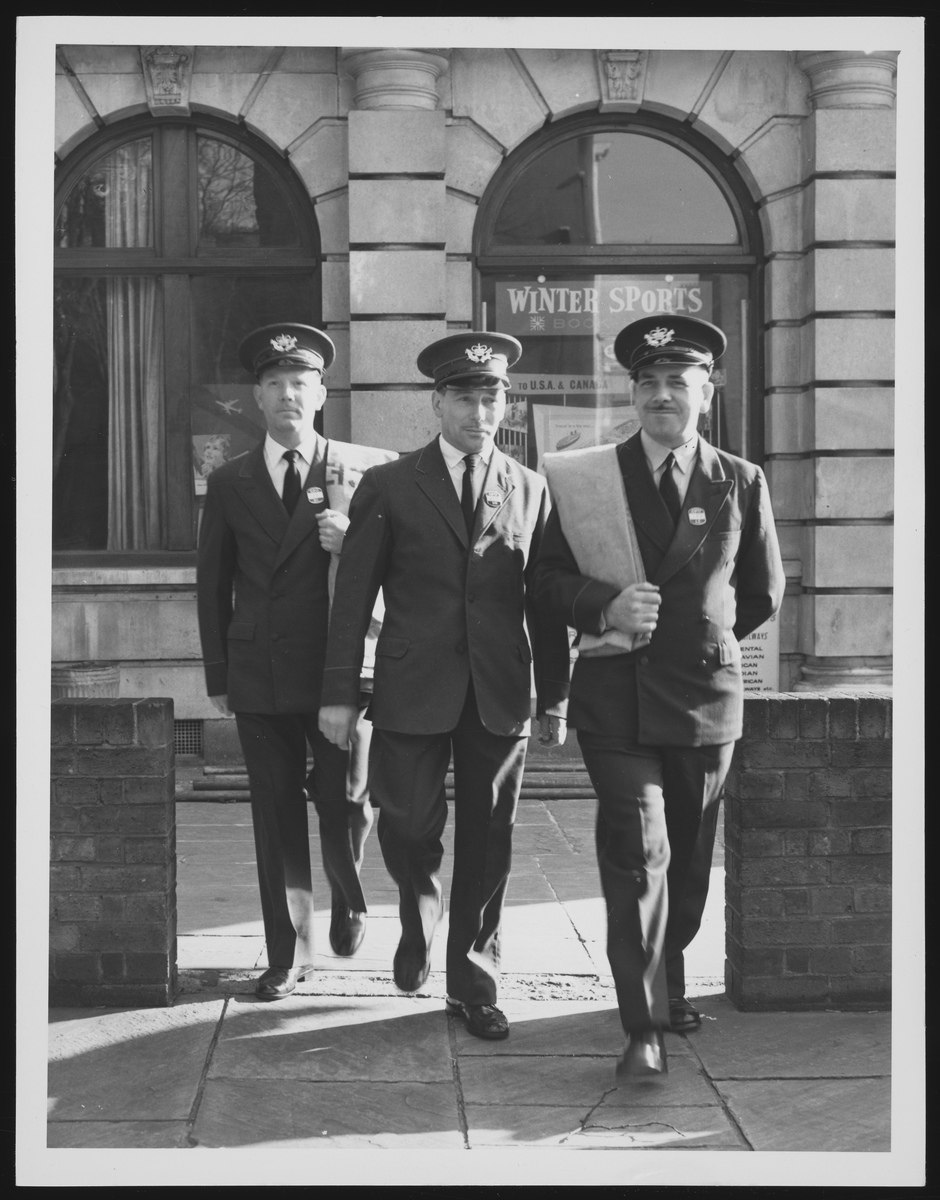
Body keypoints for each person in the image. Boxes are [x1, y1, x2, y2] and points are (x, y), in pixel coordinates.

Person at [533, 315, 785, 1078]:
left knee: (689, 870)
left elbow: (763, 590)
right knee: (638, 856)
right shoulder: (583, 478)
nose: (661, 395)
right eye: (647, 382)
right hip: (615, 697)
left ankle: (670, 986)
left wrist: (703, 633)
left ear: (706, 392)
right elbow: (542, 581)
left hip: (705, 702)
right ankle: (642, 1027)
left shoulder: (739, 480)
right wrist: (602, 607)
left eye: (678, 381)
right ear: (632, 393)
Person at [319, 332, 570, 1040]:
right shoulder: (392, 485)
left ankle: (473, 980)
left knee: (491, 838)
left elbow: (545, 601)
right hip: (410, 685)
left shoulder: (528, 488)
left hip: (497, 691)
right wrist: (340, 693)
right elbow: (352, 597)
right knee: (406, 824)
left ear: (506, 402)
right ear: (437, 402)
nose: (479, 410)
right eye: (464, 395)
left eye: (491, 395)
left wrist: (553, 695)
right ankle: (417, 911)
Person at [197, 323, 380, 1001]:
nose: (286, 395)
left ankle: (350, 891)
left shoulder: (367, 472)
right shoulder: (231, 481)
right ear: (256, 397)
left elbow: (403, 572)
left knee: (346, 803)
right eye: (273, 383)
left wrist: (351, 541)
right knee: (275, 819)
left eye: (299, 382)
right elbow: (213, 583)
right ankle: (287, 953)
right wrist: (219, 675)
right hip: (262, 673)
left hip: (338, 671)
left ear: (322, 392)